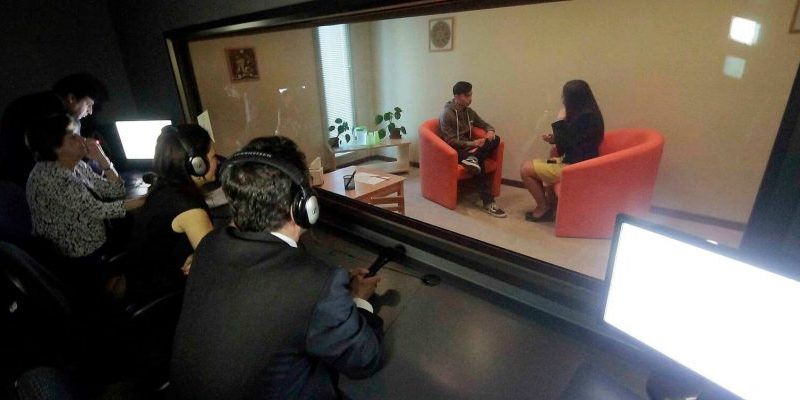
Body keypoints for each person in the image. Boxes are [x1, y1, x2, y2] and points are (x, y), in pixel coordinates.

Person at [171, 136, 384, 400]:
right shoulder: (318, 285)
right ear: (304, 207)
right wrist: (358, 301)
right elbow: (365, 359)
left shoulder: (209, 245)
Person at [25, 113, 143, 295]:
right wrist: (144, 201)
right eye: (73, 137)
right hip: (76, 253)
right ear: (55, 147)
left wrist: (102, 159)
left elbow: (115, 191)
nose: (82, 139)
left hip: (94, 238)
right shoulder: (49, 177)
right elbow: (98, 210)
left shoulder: (75, 164)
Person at [125, 124, 217, 304]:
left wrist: (199, 256)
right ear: (197, 165)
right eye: (213, 157)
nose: (218, 162)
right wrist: (203, 258)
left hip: (141, 285)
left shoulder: (165, 187)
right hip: (166, 298)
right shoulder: (189, 208)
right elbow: (215, 266)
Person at [1, 73, 108, 188]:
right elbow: (74, 157)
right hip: (32, 183)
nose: (90, 111)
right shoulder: (58, 118)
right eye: (88, 104)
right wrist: (103, 166)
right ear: (71, 98)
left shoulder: (27, 103)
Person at [520, 79, 604, 222]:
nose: (563, 99)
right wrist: (554, 138)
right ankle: (550, 205)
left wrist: (560, 120)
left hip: (574, 166)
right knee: (536, 163)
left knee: (525, 170)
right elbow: (574, 140)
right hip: (571, 161)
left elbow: (566, 147)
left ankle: (543, 207)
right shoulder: (589, 114)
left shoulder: (586, 118)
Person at [439, 81, 506, 217]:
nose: (470, 98)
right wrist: (473, 144)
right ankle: (488, 202)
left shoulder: (469, 112)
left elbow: (485, 124)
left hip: (470, 149)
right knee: (479, 163)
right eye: (467, 96)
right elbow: (450, 141)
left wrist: (490, 131)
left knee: (496, 139)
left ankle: (473, 158)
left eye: (471, 95)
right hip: (454, 151)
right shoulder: (447, 114)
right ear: (457, 96)